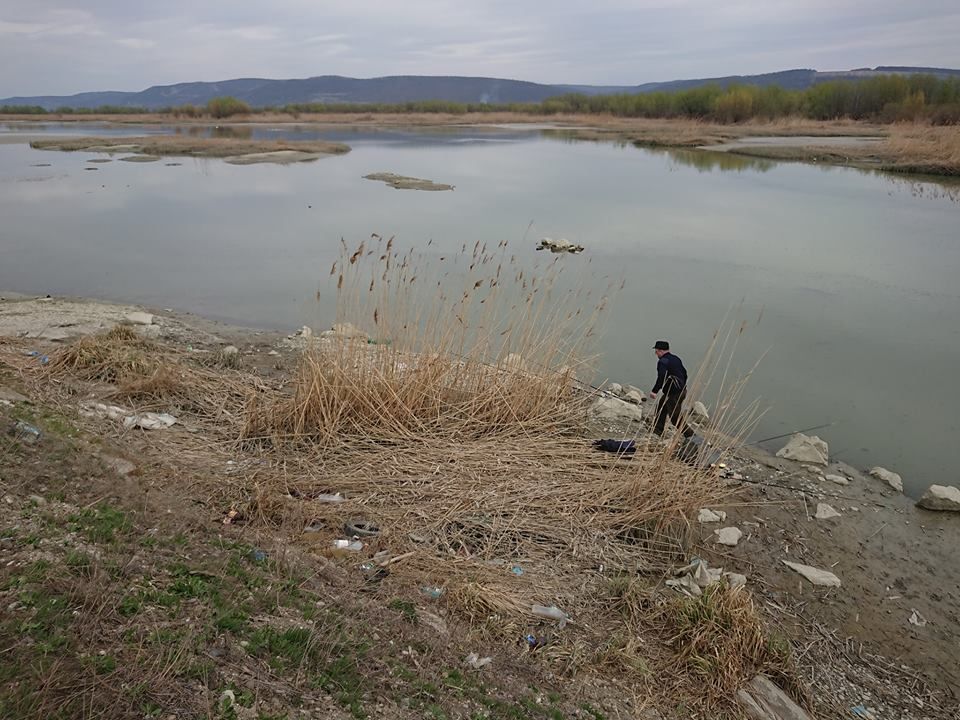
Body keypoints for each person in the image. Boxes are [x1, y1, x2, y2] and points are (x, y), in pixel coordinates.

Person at [648, 340, 694, 439]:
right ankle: (657, 430)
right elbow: (684, 374)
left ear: (660, 351)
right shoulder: (676, 359)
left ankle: (690, 435)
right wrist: (681, 386)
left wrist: (654, 391)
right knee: (661, 407)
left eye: (656, 351)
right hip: (680, 390)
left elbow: (661, 376)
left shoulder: (663, 361)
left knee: (674, 417)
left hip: (674, 393)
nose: (656, 354)